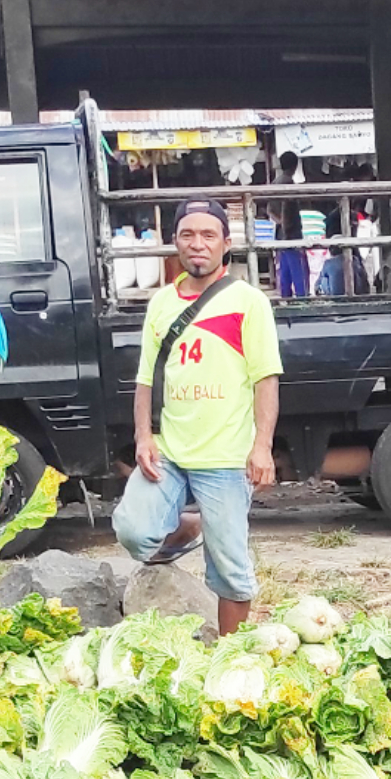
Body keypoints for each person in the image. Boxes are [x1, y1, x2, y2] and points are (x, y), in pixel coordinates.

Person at [117, 199, 278, 637]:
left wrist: (261, 445)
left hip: (226, 457)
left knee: (230, 570)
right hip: (170, 449)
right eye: (188, 235)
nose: (198, 244)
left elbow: (266, 378)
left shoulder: (248, 302)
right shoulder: (161, 304)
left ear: (226, 244)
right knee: (132, 532)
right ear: (175, 243)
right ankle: (189, 526)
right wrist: (143, 437)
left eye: (209, 235)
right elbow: (146, 379)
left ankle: (228, 654)